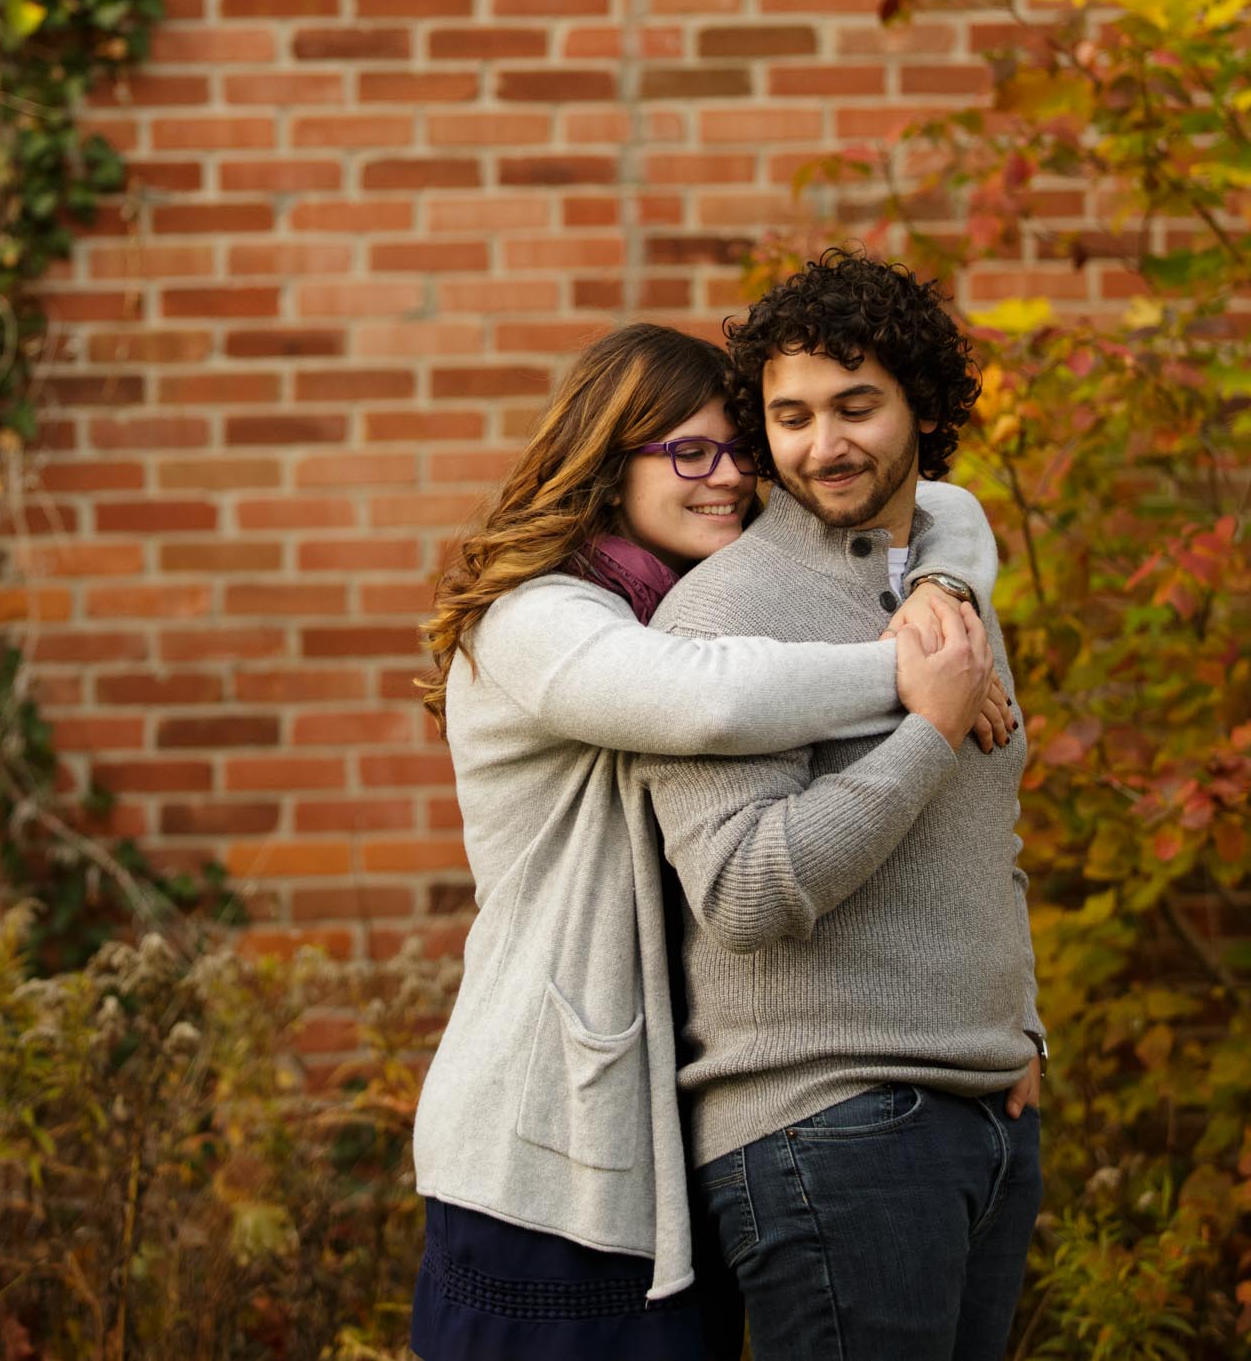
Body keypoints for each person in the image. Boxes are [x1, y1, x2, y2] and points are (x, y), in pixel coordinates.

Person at [409, 320, 1007, 1361]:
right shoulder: (538, 621)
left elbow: (946, 506)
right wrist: (911, 681)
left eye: (738, 448)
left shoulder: (672, 603)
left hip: (664, 1159)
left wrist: (939, 589)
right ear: (604, 462)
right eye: (689, 453)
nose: (728, 478)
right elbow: (708, 703)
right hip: (543, 1146)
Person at [640, 251, 1046, 1361]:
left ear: (919, 401)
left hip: (985, 1112)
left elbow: (984, 837)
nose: (823, 445)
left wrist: (1019, 1030)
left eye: (855, 405)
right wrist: (923, 729)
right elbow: (743, 889)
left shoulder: (941, 584)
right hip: (827, 1125)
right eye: (790, 415)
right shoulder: (719, 613)